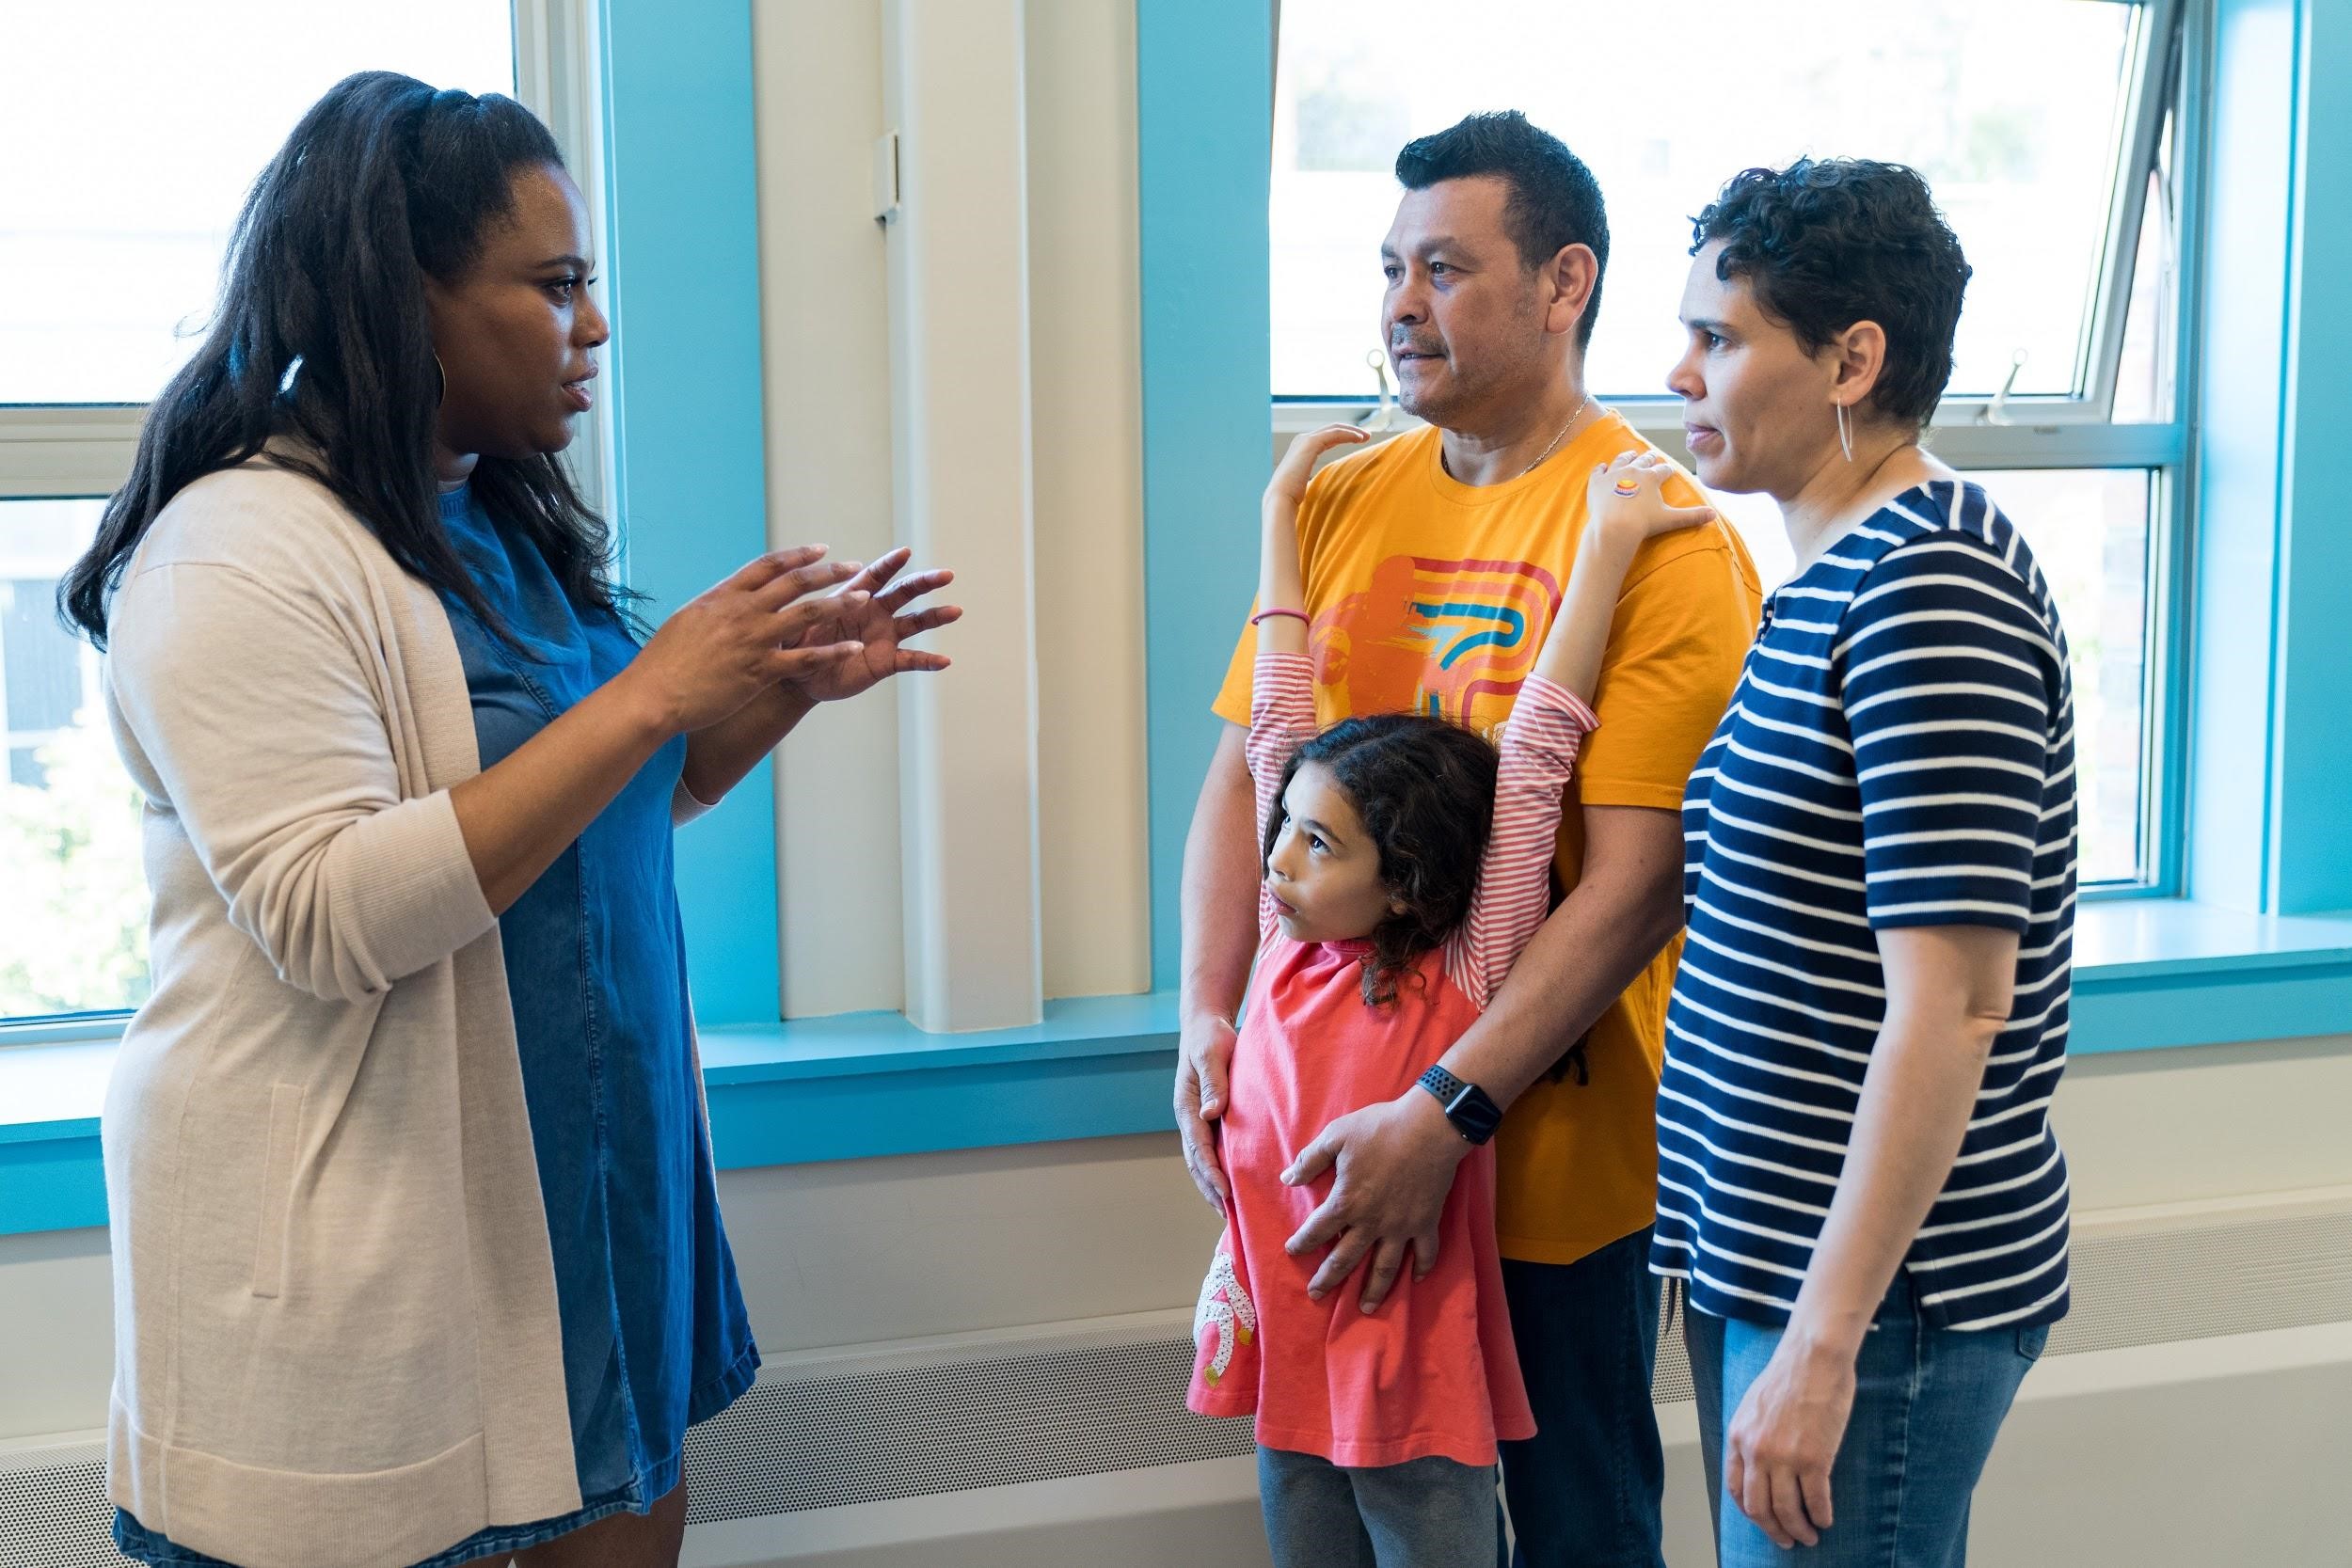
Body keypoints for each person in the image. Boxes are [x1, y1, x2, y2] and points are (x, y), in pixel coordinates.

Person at [62, 74, 957, 1568]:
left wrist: (770, 691)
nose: (591, 326)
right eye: (551, 287)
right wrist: (654, 693)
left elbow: (613, 814)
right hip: (380, 1261)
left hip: (592, 1221)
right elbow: (333, 917)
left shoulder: (491, 517)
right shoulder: (232, 551)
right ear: (402, 299)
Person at [1174, 111, 1761, 1567]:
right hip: (1324, 1146)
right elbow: (1249, 780)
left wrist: (1445, 1113)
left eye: (1444, 266)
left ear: (1566, 282)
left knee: (1578, 1536)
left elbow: (1635, 887)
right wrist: (1207, 1012)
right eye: (1389, 267)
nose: (1399, 304)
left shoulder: (1660, 533)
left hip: (1545, 1163)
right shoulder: (1343, 494)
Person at [1655, 157, 2076, 1566]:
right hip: (1769, 1253)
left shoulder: (1928, 585)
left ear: (1852, 358)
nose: (1681, 371)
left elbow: (1953, 1005)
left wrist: (1825, 1348)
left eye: (1720, 338)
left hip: (1879, 1300)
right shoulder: (1831, 574)